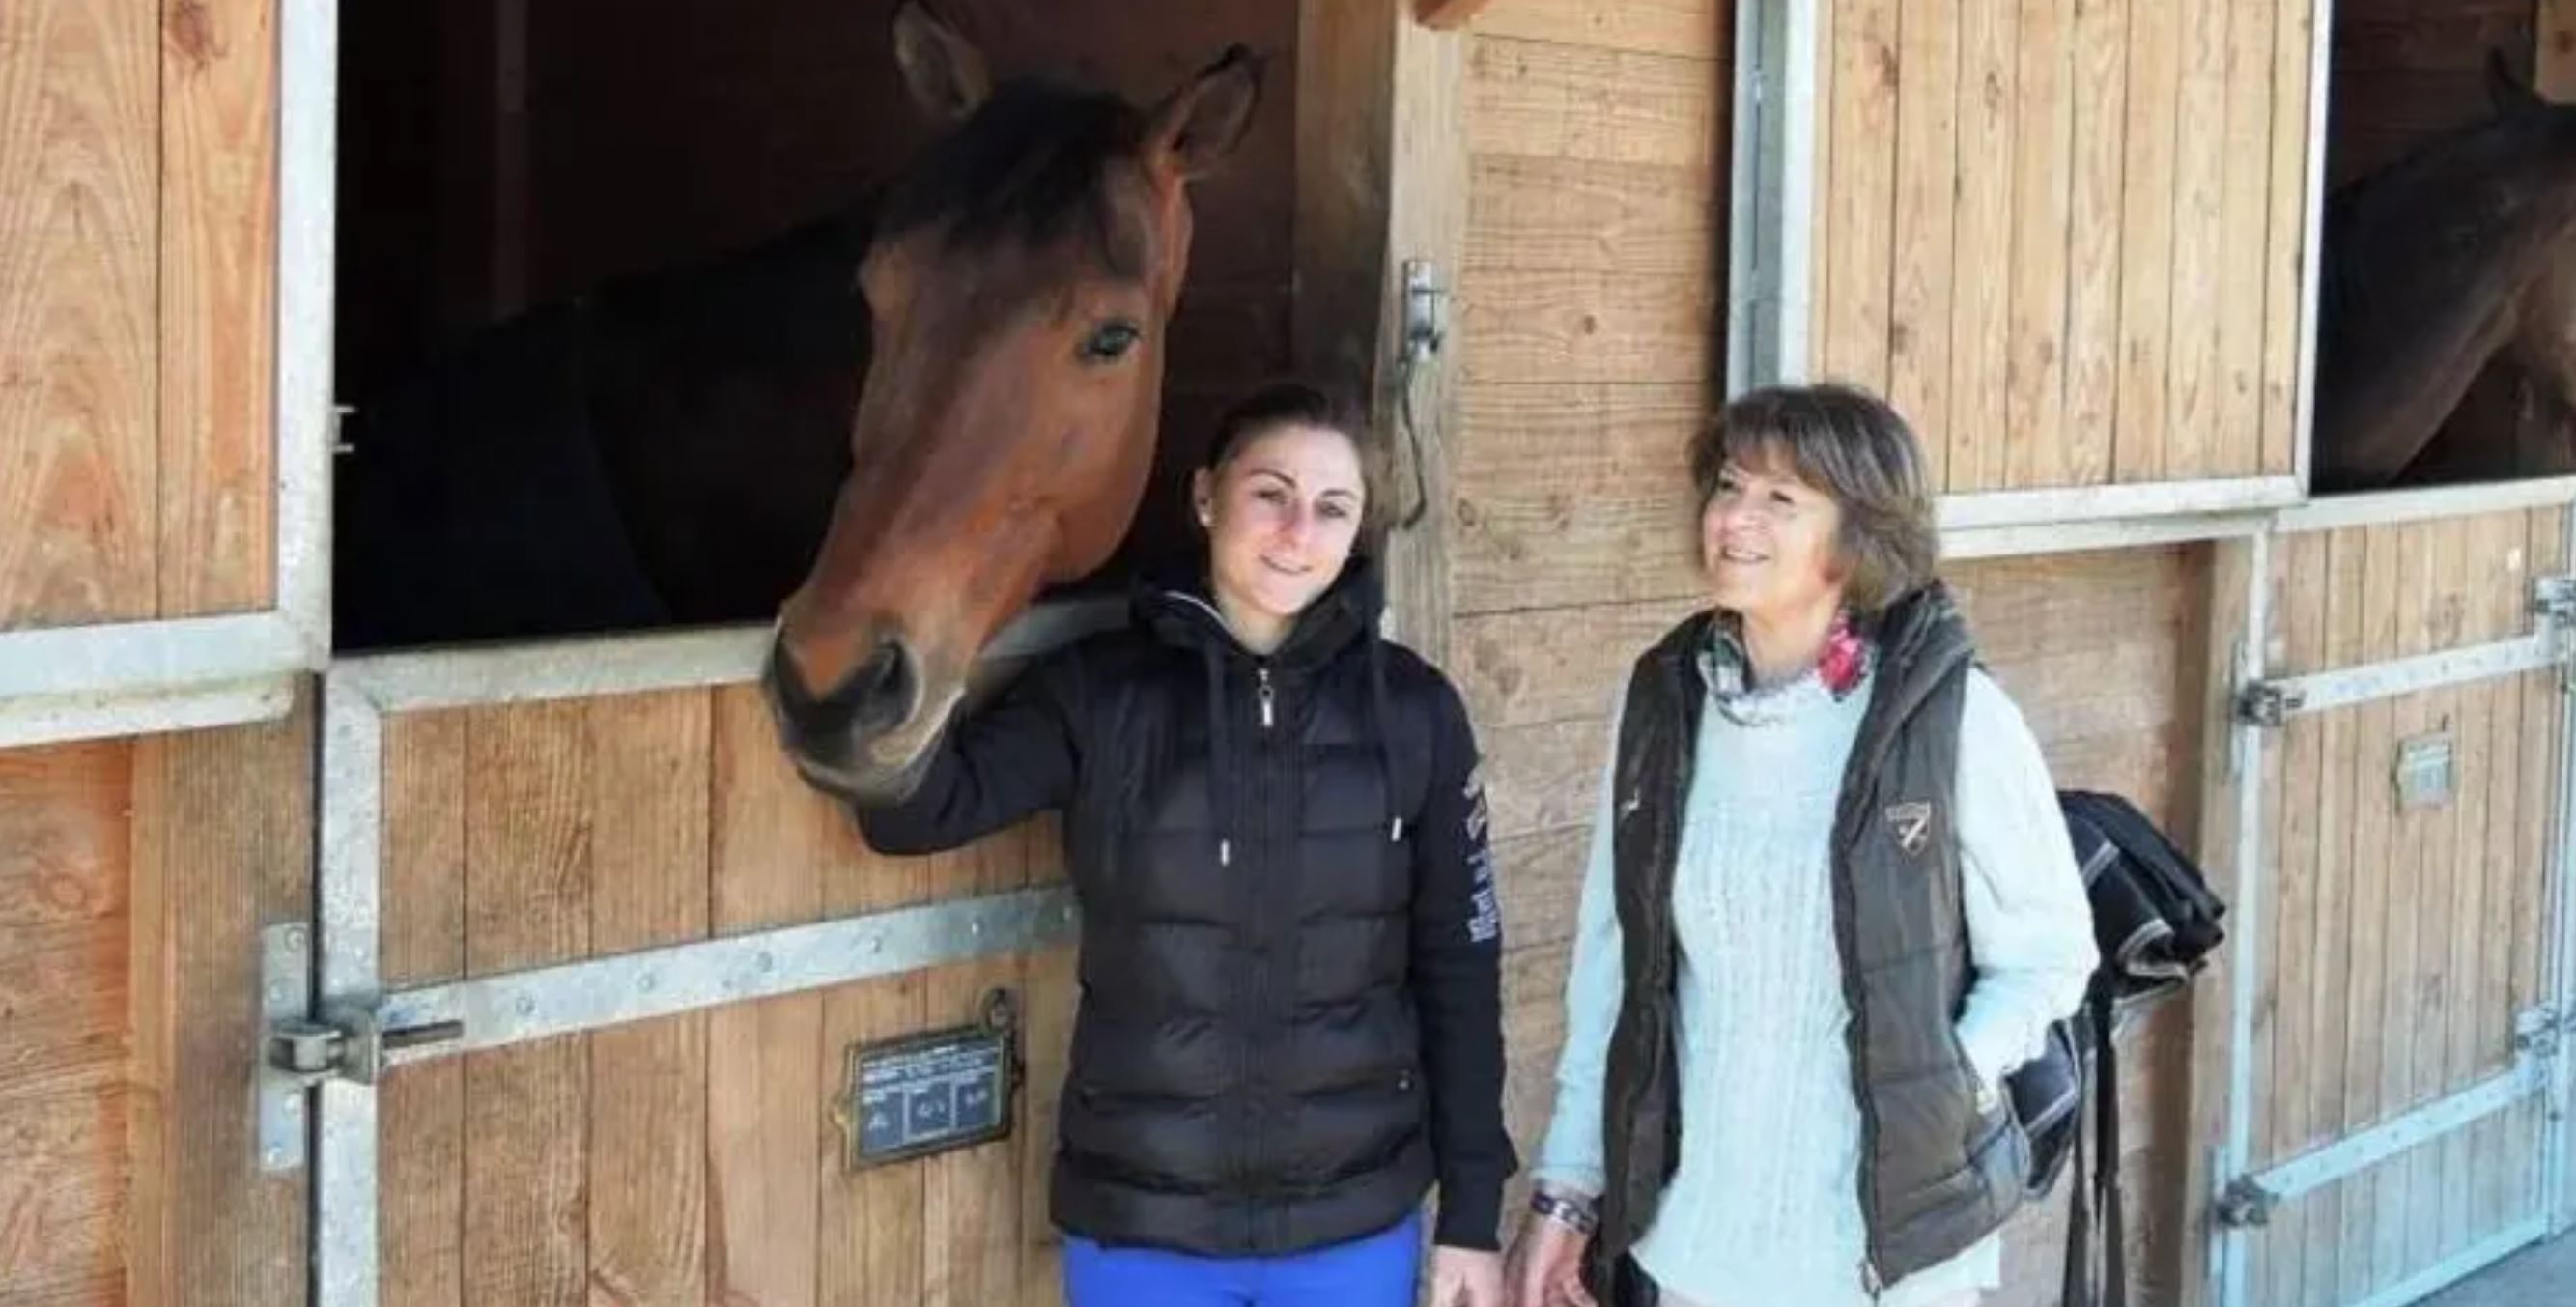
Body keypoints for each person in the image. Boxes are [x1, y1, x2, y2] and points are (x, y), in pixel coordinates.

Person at [832, 382, 1514, 1307]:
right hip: (1145, 1228)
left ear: (1359, 531)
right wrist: (903, 626)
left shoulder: (1415, 712)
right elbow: (916, 813)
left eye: (1332, 507)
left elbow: (1460, 967)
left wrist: (1472, 1216)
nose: (1296, 530)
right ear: (1206, 496)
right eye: (1269, 492)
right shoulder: (1102, 694)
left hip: (1351, 1225)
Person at [1508, 383, 2098, 1307]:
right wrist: (1569, 1190)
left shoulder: (1949, 716)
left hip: (1880, 1262)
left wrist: (1948, 1077)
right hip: (1692, 1240)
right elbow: (1612, 969)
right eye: (1729, 486)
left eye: (1780, 500)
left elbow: (2052, 954)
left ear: (1858, 533)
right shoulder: (1664, 702)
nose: (1735, 518)